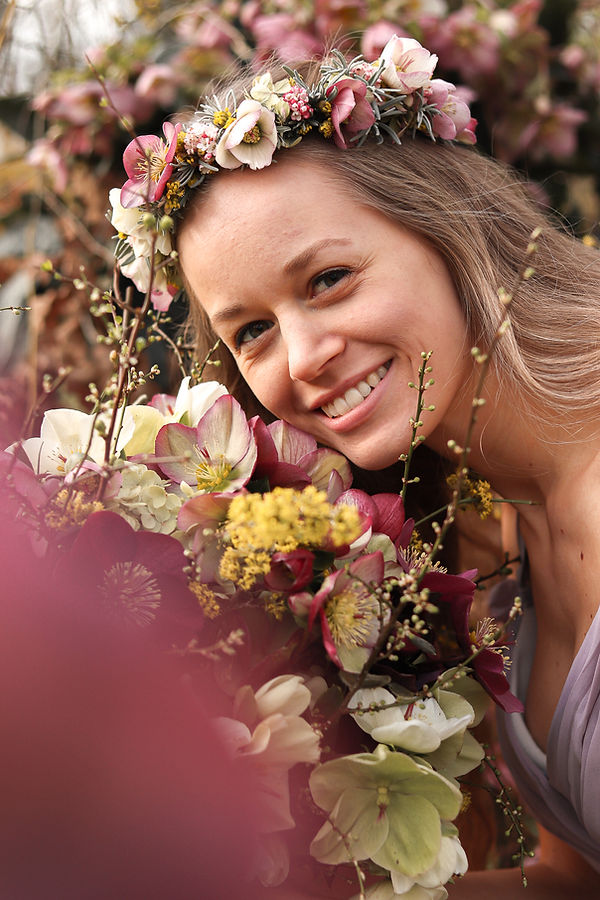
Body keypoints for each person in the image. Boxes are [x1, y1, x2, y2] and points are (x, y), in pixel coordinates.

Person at [112, 37, 600, 898]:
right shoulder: (486, 539)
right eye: (252, 332)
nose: (300, 359)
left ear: (449, 234)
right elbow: (573, 878)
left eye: (329, 278)